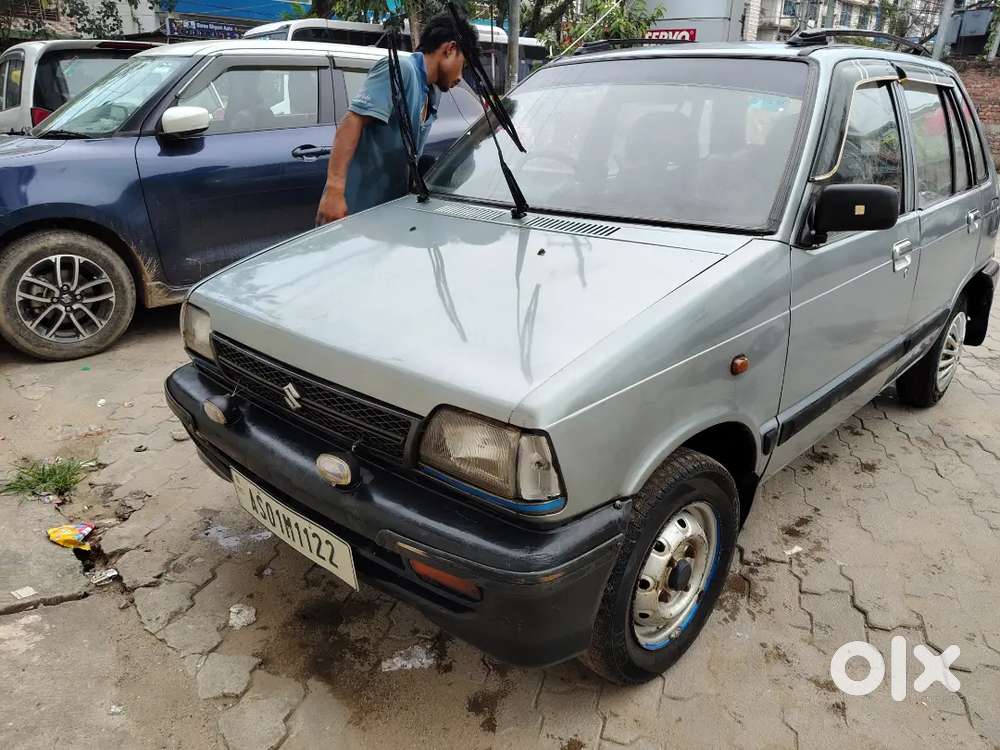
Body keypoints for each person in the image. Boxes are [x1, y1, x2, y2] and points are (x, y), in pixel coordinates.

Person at [315, 12, 479, 225]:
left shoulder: (431, 92)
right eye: (463, 66)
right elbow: (352, 120)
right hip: (351, 211)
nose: (460, 77)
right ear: (450, 49)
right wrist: (334, 191)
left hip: (385, 214)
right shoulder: (402, 69)